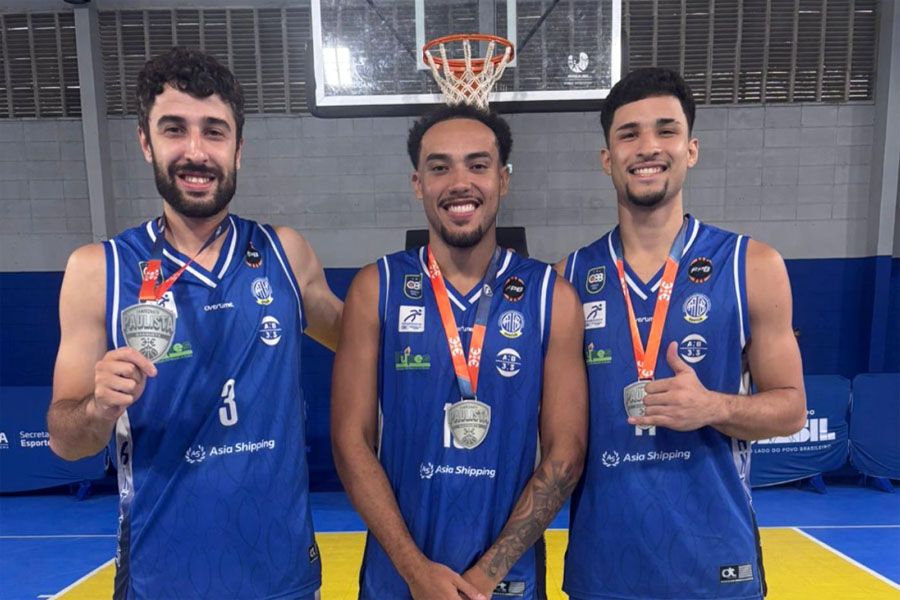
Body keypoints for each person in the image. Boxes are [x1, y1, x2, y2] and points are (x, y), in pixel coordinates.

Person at [47, 47, 342, 600]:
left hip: (283, 577)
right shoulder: (98, 270)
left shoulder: (285, 255)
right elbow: (66, 441)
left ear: (238, 148)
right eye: (174, 129)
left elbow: (367, 346)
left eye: (214, 131)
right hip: (162, 579)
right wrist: (97, 408)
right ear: (145, 141)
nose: (196, 151)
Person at [557, 67, 807, 599]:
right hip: (603, 570)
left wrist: (713, 407)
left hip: (716, 567)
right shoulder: (567, 280)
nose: (647, 146)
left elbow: (791, 409)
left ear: (690, 149)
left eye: (665, 130)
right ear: (607, 160)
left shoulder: (752, 265)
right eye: (628, 134)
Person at [331, 104, 588, 599]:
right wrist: (415, 571)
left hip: (506, 585)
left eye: (478, 164)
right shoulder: (375, 288)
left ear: (504, 179)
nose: (459, 182)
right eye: (439, 166)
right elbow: (350, 442)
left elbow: (566, 454)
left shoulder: (551, 296)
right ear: (417, 183)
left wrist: (483, 578)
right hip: (397, 582)